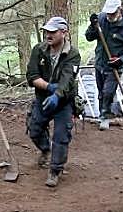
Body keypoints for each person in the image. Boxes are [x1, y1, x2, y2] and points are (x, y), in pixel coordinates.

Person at [26, 16, 81, 188]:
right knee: (34, 129)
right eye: (47, 31)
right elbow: (32, 76)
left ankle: (55, 170)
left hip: (64, 102)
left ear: (63, 32)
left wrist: (57, 94)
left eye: (53, 32)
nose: (48, 35)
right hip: (43, 98)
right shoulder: (39, 50)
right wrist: (49, 88)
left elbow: (67, 80)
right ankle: (45, 149)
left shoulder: (72, 54)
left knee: (61, 136)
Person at [84, 0, 123, 131]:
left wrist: (121, 60)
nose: (109, 16)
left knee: (108, 92)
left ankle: (105, 116)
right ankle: (102, 113)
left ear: (119, 10)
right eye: (108, 13)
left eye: (112, 13)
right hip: (100, 61)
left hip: (115, 65)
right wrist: (93, 26)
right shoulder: (101, 19)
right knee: (100, 91)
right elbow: (89, 37)